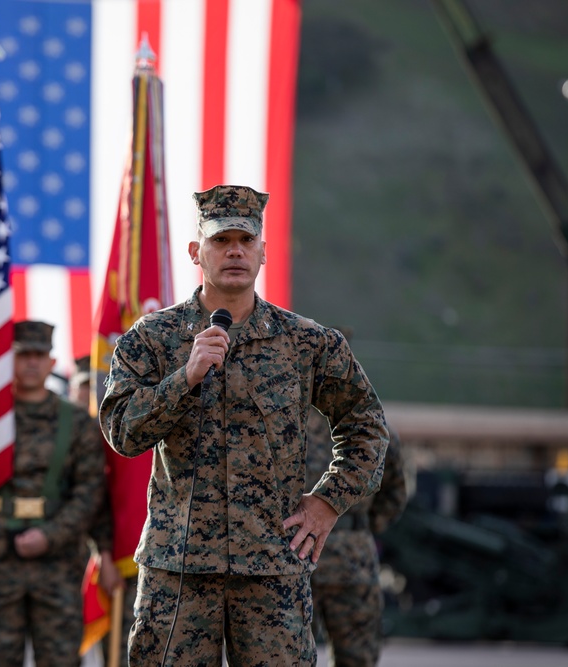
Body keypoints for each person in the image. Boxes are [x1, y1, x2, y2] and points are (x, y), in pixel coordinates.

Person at [99, 185, 390, 667]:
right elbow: (121, 432)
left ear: (262, 253)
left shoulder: (309, 343)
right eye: (220, 239)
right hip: (179, 572)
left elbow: (367, 427)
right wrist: (184, 378)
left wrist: (326, 504)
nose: (234, 250)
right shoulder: (152, 338)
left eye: (245, 240)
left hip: (272, 569)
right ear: (196, 251)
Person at [0, 322, 107, 667]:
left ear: (52, 363)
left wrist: (50, 536)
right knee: (0, 658)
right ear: (11, 362)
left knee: (60, 659)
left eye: (39, 355)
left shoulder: (77, 423)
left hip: (59, 566)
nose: (32, 364)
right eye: (23, 356)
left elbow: (90, 491)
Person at [306, 333, 408, 667]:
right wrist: (363, 527)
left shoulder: (367, 424)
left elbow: (394, 489)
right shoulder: (369, 424)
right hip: (330, 557)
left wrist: (362, 526)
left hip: (316, 554)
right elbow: (395, 494)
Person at [69, 355, 130, 665]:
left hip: (109, 550)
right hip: (68, 554)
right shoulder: (67, 434)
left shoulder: (111, 434)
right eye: (82, 388)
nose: (87, 395)